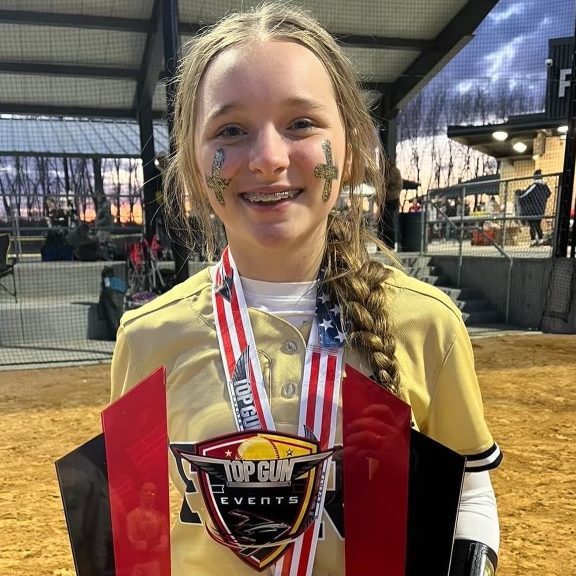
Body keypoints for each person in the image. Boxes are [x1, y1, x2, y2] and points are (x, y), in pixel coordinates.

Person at [110, 4, 502, 575]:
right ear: (193, 165)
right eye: (231, 130)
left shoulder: (427, 324)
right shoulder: (147, 337)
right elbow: (131, 522)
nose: (268, 159)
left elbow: (469, 492)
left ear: (350, 150)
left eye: (300, 124)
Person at [516, 170, 551, 246]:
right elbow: (548, 194)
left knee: (532, 225)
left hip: (532, 210)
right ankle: (541, 240)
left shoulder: (534, 186)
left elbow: (524, 195)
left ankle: (533, 240)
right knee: (538, 224)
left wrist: (518, 192)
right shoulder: (545, 187)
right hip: (541, 209)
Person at [377, 160, 403, 249]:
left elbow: (398, 186)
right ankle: (382, 244)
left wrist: (388, 186)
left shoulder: (394, 172)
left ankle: (390, 244)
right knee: (382, 222)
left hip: (392, 199)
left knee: (389, 222)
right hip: (384, 199)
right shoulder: (383, 172)